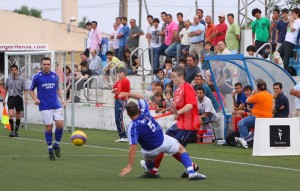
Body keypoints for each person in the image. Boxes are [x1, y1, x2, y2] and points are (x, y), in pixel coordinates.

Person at [118, 92, 206, 180]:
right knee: (181, 148)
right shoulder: (144, 111)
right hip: (162, 142)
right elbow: (141, 97)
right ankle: (191, 172)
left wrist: (129, 166)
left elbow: (133, 147)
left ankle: (152, 169)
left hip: (148, 151)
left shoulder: (132, 126)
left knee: (148, 159)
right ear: (138, 109)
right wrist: (128, 94)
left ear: (128, 114)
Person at [29, 57, 65, 160]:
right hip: (45, 106)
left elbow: (58, 88)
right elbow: (31, 90)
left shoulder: (54, 76)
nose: (46, 66)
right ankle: (50, 150)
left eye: (48, 64)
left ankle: (57, 145)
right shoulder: (37, 77)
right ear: (41, 65)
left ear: (50, 65)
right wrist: (35, 99)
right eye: (44, 64)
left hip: (56, 104)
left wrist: (62, 99)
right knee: (49, 127)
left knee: (60, 125)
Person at [235, 80, 273, 149]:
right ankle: (246, 141)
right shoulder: (270, 95)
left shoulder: (258, 95)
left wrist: (253, 93)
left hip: (258, 117)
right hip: (267, 118)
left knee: (241, 123)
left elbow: (247, 100)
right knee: (255, 133)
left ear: (258, 89)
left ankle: (244, 140)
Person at [3, 64, 28, 137]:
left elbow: (25, 89)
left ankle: (16, 131)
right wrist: (4, 99)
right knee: (10, 114)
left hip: (19, 98)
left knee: (18, 116)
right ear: (11, 71)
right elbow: (6, 89)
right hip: (11, 98)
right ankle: (11, 131)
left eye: (15, 70)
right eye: (12, 70)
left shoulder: (22, 79)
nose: (14, 71)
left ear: (17, 71)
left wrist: (26, 98)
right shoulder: (8, 79)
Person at [112, 67, 130, 142]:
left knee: (119, 118)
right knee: (118, 118)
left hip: (122, 100)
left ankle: (123, 136)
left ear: (124, 73)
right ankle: (122, 135)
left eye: (120, 72)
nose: (119, 74)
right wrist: (115, 90)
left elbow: (117, 90)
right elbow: (113, 89)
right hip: (118, 100)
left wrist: (116, 91)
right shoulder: (119, 81)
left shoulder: (125, 80)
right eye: (118, 73)